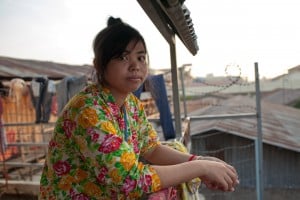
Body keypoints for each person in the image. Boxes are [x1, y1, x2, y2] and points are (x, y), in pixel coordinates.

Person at [39, 16, 239, 199]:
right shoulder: (89, 111)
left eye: (141, 57)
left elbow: (150, 148)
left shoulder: (131, 104)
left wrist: (196, 159)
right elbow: (130, 180)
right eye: (123, 57)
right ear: (99, 65)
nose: (136, 65)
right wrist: (200, 167)